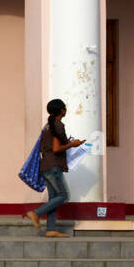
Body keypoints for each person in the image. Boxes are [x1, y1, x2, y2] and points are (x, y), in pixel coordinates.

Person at [26, 98, 84, 237]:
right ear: (62, 110)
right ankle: (36, 213)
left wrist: (66, 143)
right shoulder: (58, 125)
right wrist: (73, 144)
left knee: (54, 198)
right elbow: (57, 148)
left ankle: (50, 229)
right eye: (65, 107)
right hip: (53, 166)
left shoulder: (47, 126)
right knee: (64, 196)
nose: (66, 109)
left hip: (45, 165)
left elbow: (44, 147)